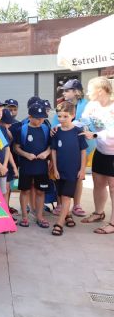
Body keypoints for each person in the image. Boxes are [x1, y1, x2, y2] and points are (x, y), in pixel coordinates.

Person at [50, 79, 92, 218]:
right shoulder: (61, 104)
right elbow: (55, 123)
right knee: (60, 176)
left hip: (81, 146)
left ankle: (77, 204)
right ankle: (61, 204)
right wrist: (53, 129)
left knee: (78, 177)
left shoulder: (86, 105)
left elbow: (89, 123)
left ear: (76, 92)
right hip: (62, 146)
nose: (64, 92)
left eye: (67, 90)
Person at [78, 77, 114, 232]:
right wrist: (62, 125)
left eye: (89, 89)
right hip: (101, 151)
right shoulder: (91, 105)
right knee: (98, 183)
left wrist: (94, 135)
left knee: (113, 187)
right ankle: (99, 213)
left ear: (100, 91)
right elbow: (83, 122)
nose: (86, 93)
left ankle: (113, 223)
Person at [50, 101, 87, 236]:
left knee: (66, 197)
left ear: (73, 115)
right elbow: (53, 151)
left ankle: (59, 223)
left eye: (65, 116)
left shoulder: (78, 132)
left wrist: (82, 169)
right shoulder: (57, 132)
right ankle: (67, 215)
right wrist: (55, 169)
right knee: (60, 195)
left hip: (73, 171)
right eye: (59, 116)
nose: (62, 119)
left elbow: (83, 151)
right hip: (60, 170)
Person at [13, 103, 51, 229]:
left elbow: (51, 147)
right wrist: (26, 154)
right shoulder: (22, 130)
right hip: (26, 166)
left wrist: (46, 153)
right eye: (38, 118)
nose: (41, 120)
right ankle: (24, 216)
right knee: (25, 191)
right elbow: (16, 147)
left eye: (42, 118)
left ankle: (39, 216)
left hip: (41, 167)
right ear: (30, 116)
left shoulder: (45, 129)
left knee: (41, 191)